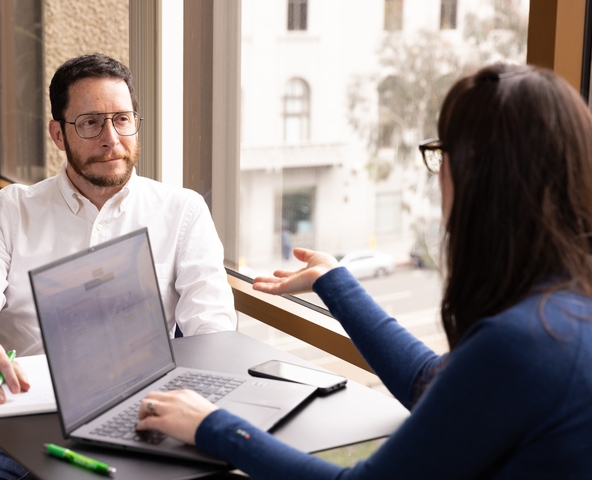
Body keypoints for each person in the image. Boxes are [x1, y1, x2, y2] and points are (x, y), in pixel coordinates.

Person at [135, 63, 592, 478]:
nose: (439, 175)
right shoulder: (564, 309)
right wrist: (332, 281)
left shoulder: (528, 340)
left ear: (481, 177)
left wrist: (213, 426)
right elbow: (430, 384)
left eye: (443, 152)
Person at [0, 53, 236, 479]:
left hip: (141, 409)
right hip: (20, 412)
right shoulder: (11, 210)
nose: (112, 139)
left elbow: (214, 330)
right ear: (58, 134)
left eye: (122, 119)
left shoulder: (182, 210)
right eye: (91, 123)